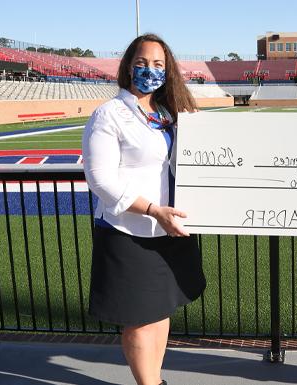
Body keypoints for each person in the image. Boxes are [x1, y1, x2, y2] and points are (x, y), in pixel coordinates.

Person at [82, 33, 205, 385]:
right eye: (141, 63)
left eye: (157, 65)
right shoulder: (109, 115)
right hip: (129, 232)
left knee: (161, 310)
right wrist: (152, 210)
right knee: (138, 318)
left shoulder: (166, 114)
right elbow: (100, 180)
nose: (149, 70)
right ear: (127, 67)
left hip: (168, 230)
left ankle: (156, 379)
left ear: (168, 71)